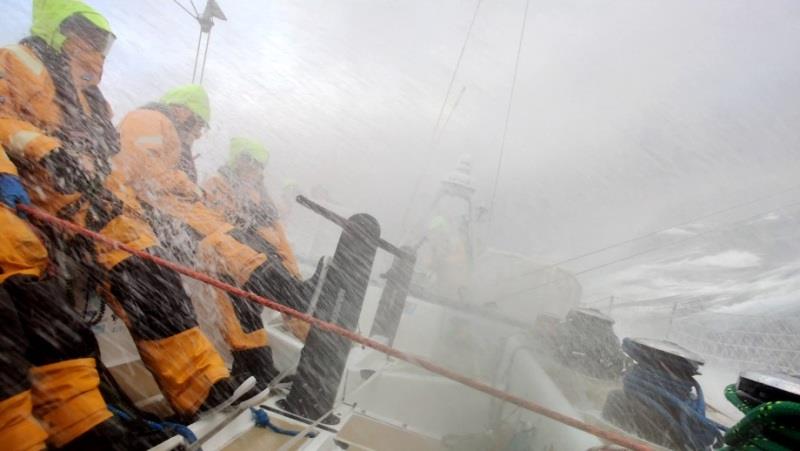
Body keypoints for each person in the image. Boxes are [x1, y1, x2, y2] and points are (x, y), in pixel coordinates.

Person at [0, 0, 253, 425]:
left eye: (102, 42)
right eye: (87, 36)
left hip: (101, 211)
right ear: (58, 31)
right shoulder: (16, 63)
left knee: (154, 282)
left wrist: (126, 205)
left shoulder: (95, 102)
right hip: (43, 204)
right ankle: (85, 423)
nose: (95, 49)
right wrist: (46, 150)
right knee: (45, 311)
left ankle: (203, 388)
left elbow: (110, 163)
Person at [114, 89, 316, 390]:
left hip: (209, 240)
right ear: (184, 113)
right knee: (231, 281)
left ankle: (285, 347)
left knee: (246, 295)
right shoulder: (152, 124)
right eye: (197, 126)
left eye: (260, 165)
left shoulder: (255, 191)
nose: (197, 135)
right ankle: (278, 323)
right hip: (171, 234)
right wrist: (190, 190)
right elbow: (145, 173)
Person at [203, 137, 310, 341]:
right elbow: (221, 228)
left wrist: (293, 274)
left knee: (293, 296)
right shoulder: (217, 184)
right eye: (252, 164)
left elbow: (279, 238)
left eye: (260, 166)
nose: (257, 171)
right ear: (239, 162)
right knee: (262, 310)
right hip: (241, 266)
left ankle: (315, 338)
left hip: (265, 260)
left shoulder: (260, 195)